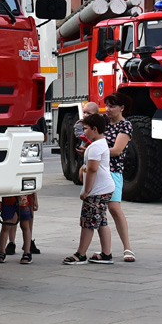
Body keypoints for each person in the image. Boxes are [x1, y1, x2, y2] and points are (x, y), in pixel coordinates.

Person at [64, 113, 115, 265]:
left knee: (88, 222)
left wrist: (86, 191)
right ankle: (106, 253)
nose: (83, 132)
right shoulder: (100, 144)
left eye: (85, 129)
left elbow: (92, 170)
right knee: (101, 221)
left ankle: (81, 254)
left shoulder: (95, 147)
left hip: (97, 190)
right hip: (105, 188)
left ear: (94, 129)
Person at [101, 92, 136, 263]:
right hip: (97, 171)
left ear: (122, 108)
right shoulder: (103, 122)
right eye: (107, 105)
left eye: (112, 106)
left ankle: (127, 247)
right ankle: (103, 250)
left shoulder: (125, 126)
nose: (108, 109)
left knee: (114, 208)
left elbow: (116, 151)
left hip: (113, 171)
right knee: (96, 210)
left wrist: (94, 152)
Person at [0, 192, 39, 264]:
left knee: (25, 225)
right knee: (6, 225)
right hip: (8, 198)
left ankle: (27, 252)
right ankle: (2, 251)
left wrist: (35, 198)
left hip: (23, 198)